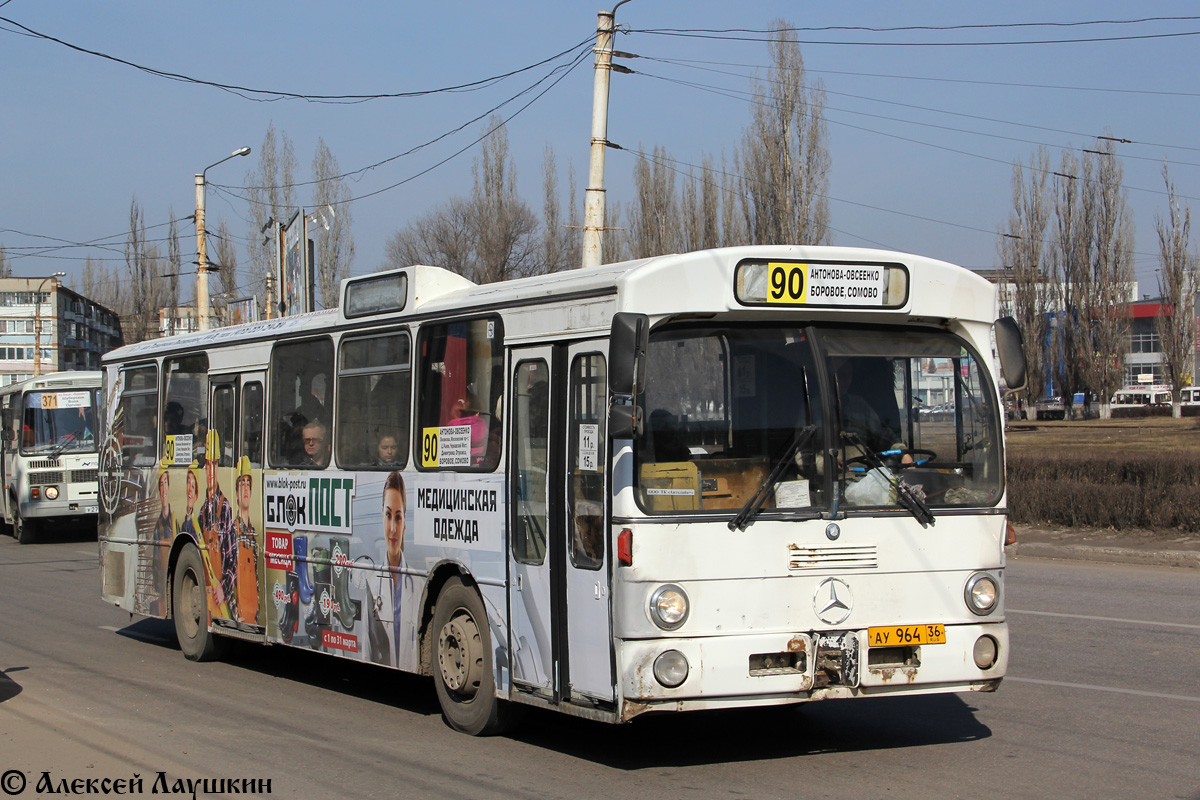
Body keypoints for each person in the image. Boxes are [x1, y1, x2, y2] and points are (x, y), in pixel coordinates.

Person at [198, 429, 236, 619]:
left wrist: (224, 587)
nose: (210, 470)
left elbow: (232, 557)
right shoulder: (202, 513)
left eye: (214, 464)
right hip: (207, 593)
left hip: (221, 597)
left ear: (218, 467)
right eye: (207, 464)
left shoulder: (225, 508)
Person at [382, 471, 414, 665]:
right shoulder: (370, 584)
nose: (393, 528)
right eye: (388, 515)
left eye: (398, 517)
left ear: (405, 522)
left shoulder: (418, 584)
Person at [233, 456, 260, 629]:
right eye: (241, 484)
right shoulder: (231, 530)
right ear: (236, 491)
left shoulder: (253, 533)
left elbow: (256, 581)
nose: (245, 489)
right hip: (240, 618)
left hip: (253, 620)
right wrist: (235, 616)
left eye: (248, 485)